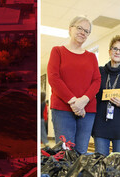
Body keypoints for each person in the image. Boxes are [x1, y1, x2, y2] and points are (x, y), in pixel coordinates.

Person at [47, 16, 101, 154]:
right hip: (62, 109)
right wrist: (74, 102)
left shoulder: (91, 57)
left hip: (87, 111)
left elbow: (97, 81)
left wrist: (83, 101)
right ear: (70, 29)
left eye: (87, 31)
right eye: (79, 28)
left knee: (82, 151)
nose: (83, 32)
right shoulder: (57, 51)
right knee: (65, 152)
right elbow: (54, 78)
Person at [92, 35, 120, 156]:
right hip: (101, 123)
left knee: (119, 165)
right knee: (100, 163)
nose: (117, 52)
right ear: (109, 51)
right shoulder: (99, 72)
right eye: (114, 48)